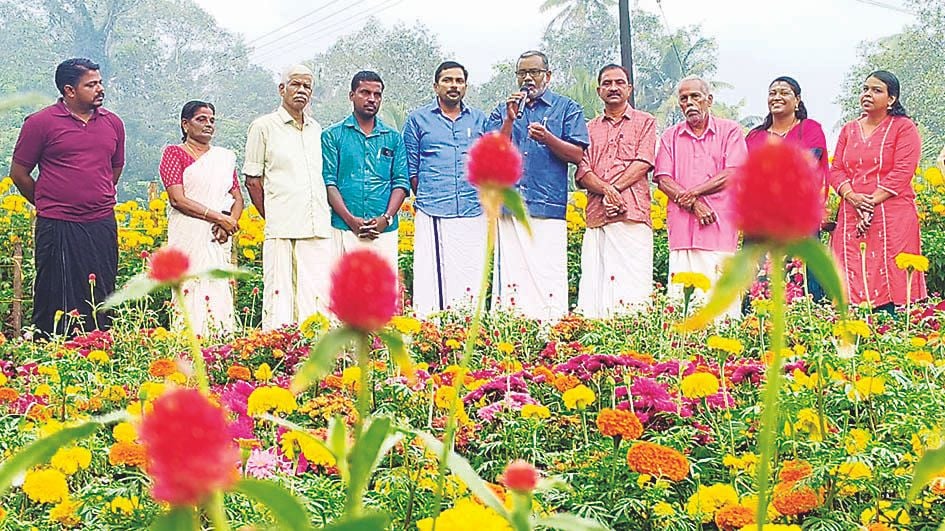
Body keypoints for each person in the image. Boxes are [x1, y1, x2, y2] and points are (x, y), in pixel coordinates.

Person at [10, 58, 125, 337]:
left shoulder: (112, 123)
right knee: (54, 288)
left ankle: (99, 343)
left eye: (100, 82)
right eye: (91, 84)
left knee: (102, 288)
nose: (100, 89)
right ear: (69, 90)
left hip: (101, 222)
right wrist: (50, 202)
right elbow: (19, 173)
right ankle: (50, 347)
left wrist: (94, 197)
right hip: (57, 223)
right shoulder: (40, 123)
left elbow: (114, 169)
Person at [485, 50, 589, 320]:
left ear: (548, 76)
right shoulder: (503, 110)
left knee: (548, 275)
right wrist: (509, 120)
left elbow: (578, 155)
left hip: (548, 205)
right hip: (510, 206)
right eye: (522, 73)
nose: (528, 79)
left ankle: (550, 329)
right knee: (513, 279)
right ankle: (512, 330)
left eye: (534, 72)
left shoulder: (567, 108)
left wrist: (549, 139)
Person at [244, 64, 334, 331]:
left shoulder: (316, 129)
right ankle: (278, 348)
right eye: (296, 84)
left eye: (307, 86)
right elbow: (252, 181)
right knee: (281, 297)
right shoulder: (263, 127)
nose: (302, 90)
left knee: (317, 296)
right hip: (283, 228)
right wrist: (273, 216)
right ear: (281, 89)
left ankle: (316, 349)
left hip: (318, 226)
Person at [829, 70, 924, 312]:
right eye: (865, 89)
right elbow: (836, 170)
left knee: (892, 278)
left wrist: (869, 203)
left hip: (892, 215)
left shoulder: (904, 128)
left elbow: (903, 171)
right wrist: (853, 197)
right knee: (850, 279)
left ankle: (891, 328)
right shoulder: (849, 129)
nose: (867, 94)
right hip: (852, 214)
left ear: (891, 99)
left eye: (876, 90)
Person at [654, 76, 748, 321]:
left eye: (695, 96)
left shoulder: (730, 131)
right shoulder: (670, 136)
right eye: (684, 98)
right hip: (682, 230)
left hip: (719, 226)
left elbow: (733, 172)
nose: (689, 103)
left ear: (709, 99)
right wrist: (694, 203)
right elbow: (663, 178)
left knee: (721, 303)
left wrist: (694, 193)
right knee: (681, 302)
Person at [403, 61, 487, 317]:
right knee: (432, 276)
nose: (454, 86)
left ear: (466, 86)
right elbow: (411, 169)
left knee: (470, 272)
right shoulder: (418, 120)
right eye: (447, 80)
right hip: (433, 210)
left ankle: (467, 326)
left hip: (472, 208)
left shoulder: (479, 119)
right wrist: (431, 194)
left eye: (459, 81)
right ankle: (432, 328)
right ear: (436, 86)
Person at [574, 64, 657, 318]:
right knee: (596, 285)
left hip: (633, 215)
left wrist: (612, 190)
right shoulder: (588, 128)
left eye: (619, 83)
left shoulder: (645, 122)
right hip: (598, 217)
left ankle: (631, 333)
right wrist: (607, 191)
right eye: (607, 83)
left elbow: (644, 162)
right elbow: (583, 170)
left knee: (633, 287)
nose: (613, 88)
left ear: (629, 89)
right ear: (599, 90)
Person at [159, 101, 242, 336]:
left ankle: (220, 340)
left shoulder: (224, 158)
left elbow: (237, 197)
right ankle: (188, 342)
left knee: (217, 285)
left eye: (212, 120)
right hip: (188, 232)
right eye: (201, 119)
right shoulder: (174, 154)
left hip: (217, 236)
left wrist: (229, 223)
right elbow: (177, 199)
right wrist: (219, 218)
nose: (208, 124)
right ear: (185, 124)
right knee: (189, 284)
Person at [745, 76, 829, 302]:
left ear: (797, 100)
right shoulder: (755, 136)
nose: (777, 97)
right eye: (772, 93)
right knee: (760, 285)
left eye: (784, 92)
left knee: (800, 281)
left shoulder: (810, 129)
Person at [322, 71, 409, 270]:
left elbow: (401, 182)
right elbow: (329, 182)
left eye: (377, 95)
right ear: (351, 95)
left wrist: (386, 219)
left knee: (382, 287)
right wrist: (350, 220)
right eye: (365, 92)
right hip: (344, 229)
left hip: (383, 232)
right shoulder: (332, 136)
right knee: (345, 286)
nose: (371, 99)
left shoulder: (393, 138)